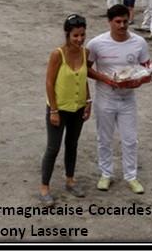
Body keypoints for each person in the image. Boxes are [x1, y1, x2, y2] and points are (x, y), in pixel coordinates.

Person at [87, 4, 150, 194]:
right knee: (104, 138)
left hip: (127, 99)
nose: (122, 25)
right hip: (105, 98)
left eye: (125, 21)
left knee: (130, 139)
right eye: (118, 22)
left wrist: (137, 82)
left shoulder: (139, 43)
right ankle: (106, 174)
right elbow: (86, 69)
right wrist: (106, 79)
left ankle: (131, 176)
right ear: (110, 22)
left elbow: (148, 70)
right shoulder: (96, 44)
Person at [39, 14, 92, 206]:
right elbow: (49, 82)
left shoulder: (85, 53)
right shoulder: (57, 54)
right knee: (53, 147)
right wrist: (53, 110)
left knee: (72, 144)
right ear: (67, 35)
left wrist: (88, 100)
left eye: (82, 35)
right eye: (75, 36)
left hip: (77, 107)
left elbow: (84, 77)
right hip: (59, 108)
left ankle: (70, 180)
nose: (79, 39)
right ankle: (44, 186)